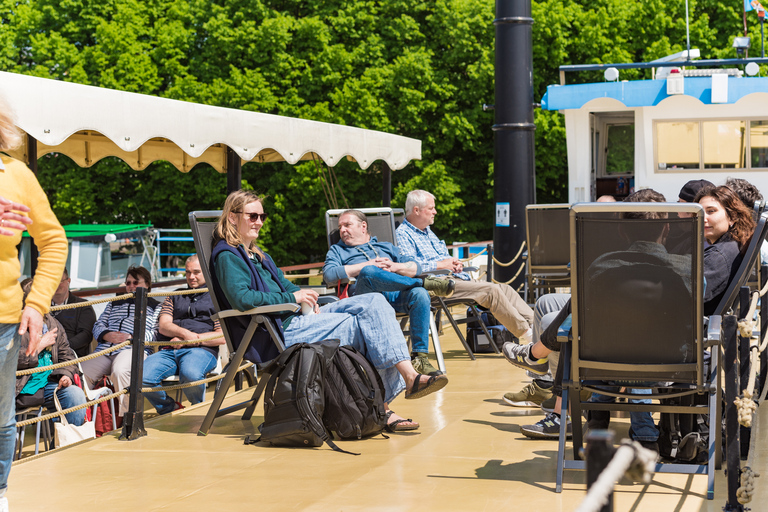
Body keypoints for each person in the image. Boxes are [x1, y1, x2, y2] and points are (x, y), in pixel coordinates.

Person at [210, 190, 448, 432]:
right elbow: (242, 298)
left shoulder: (259, 256)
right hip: (276, 332)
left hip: (298, 316)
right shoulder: (228, 255)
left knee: (375, 301)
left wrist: (307, 297)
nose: (259, 222)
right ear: (232, 217)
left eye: (262, 216)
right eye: (252, 216)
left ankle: (408, 377)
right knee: (365, 326)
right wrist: (292, 297)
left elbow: (287, 286)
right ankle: (384, 407)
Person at [0, 96, 68, 511]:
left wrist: (37, 302)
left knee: (0, 418)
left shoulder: (17, 174)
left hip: (4, 321)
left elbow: (54, 240)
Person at [323, 209, 455, 377]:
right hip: (365, 298)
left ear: (363, 226)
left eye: (347, 225)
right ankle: (424, 282)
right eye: (340, 226)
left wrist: (395, 266)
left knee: (420, 294)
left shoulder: (386, 247)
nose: (342, 230)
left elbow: (415, 266)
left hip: (394, 295)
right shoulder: (337, 250)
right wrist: (366, 266)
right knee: (369, 271)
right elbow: (329, 275)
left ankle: (420, 358)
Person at [395, 190, 534, 344]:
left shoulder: (428, 232)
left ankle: (538, 327)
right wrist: (442, 264)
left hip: (454, 279)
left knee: (504, 288)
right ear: (416, 210)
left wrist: (453, 263)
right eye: (431, 208)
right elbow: (410, 267)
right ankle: (529, 336)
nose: (435, 211)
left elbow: (443, 258)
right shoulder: (403, 235)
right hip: (435, 285)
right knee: (491, 291)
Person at [141, 255, 224, 414]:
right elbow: (164, 326)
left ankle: (197, 411)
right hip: (169, 350)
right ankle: (169, 409)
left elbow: (221, 336)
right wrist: (185, 335)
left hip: (201, 351)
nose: (191, 277)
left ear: (206, 272)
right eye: (187, 272)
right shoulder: (174, 296)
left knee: (191, 374)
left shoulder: (216, 298)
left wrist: (193, 340)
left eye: (196, 272)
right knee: (142, 377)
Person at [80, 266, 161, 418]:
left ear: (147, 284)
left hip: (132, 349)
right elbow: (98, 325)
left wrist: (132, 337)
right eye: (128, 283)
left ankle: (128, 418)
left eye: (136, 283)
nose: (131, 286)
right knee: (81, 373)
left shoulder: (155, 306)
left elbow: (155, 333)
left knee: (120, 371)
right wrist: (106, 335)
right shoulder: (114, 303)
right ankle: (84, 417)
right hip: (106, 349)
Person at [15, 280, 87, 427]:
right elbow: (9, 360)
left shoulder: (52, 323)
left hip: (49, 383)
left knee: (75, 395)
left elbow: (67, 356)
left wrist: (65, 375)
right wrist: (40, 345)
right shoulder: (13, 325)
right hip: (20, 388)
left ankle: (64, 447)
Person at [696, 185, 756, 315]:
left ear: (732, 217)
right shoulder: (733, 245)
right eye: (699, 212)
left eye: (711, 211)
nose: (703, 218)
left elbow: (687, 295)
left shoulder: (718, 256)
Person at [49, 268, 97, 358]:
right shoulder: (42, 307)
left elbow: (86, 335)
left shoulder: (83, 306)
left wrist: (63, 348)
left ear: (69, 281)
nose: (56, 285)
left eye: (60, 281)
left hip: (73, 356)